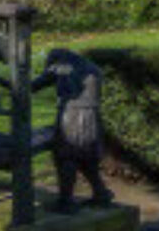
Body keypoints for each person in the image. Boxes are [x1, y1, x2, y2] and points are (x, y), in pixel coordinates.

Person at [32, 48, 113, 211]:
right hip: (92, 118)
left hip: (71, 116)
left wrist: (9, 84)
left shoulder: (61, 67)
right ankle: (101, 193)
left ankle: (66, 201)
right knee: (87, 159)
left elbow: (34, 86)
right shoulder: (92, 68)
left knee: (65, 158)